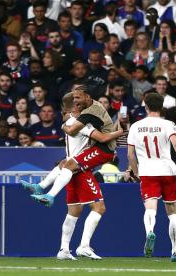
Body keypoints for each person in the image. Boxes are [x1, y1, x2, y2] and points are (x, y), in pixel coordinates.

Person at [22, 92, 123, 260]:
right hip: (79, 170)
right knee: (99, 208)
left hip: (70, 168)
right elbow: (103, 138)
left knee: (74, 211)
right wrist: (120, 132)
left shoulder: (68, 122)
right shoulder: (81, 124)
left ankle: (63, 249)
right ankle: (84, 246)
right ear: (77, 107)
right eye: (81, 103)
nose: (85, 106)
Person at [127, 93, 176, 262]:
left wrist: (136, 172)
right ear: (162, 106)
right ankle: (175, 251)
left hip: (148, 171)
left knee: (150, 208)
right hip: (168, 170)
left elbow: (130, 154)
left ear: (146, 107)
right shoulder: (168, 124)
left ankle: (150, 230)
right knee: (173, 213)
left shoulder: (136, 126)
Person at [30, 86, 119, 207]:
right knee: (74, 210)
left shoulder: (84, 118)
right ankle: (41, 187)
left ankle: (48, 194)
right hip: (88, 152)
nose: (77, 101)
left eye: (78, 98)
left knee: (97, 207)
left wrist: (119, 132)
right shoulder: (76, 119)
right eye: (75, 99)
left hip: (104, 148)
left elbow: (99, 137)